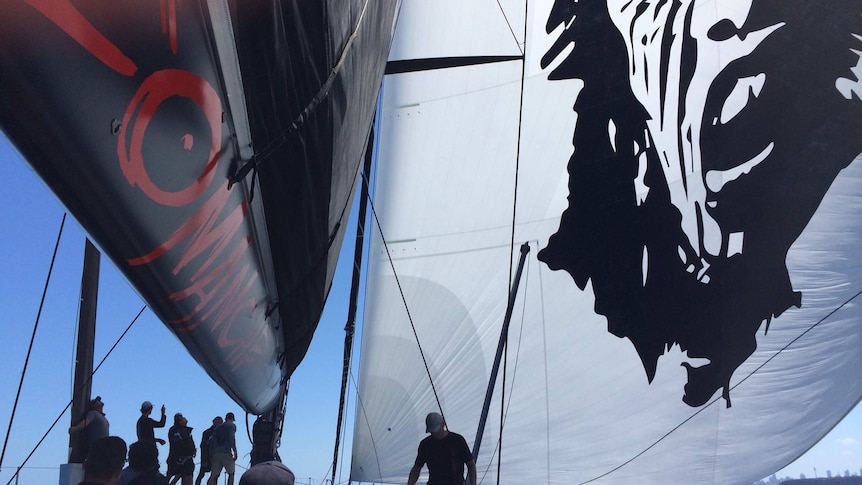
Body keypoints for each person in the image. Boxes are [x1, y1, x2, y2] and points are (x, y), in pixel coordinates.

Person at [406, 412, 476, 485]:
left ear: (443, 424)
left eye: (436, 431)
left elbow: (470, 464)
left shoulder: (457, 440)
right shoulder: (425, 445)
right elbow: (416, 468)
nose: (435, 434)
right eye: (432, 432)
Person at [207, 412, 237, 485]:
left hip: (215, 453)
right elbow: (231, 438)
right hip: (226, 452)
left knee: (213, 475)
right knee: (231, 473)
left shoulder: (217, 428)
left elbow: (212, 441)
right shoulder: (232, 426)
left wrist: (211, 454)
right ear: (232, 418)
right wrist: (235, 451)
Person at [166, 413, 196, 485]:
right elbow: (181, 443)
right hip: (178, 456)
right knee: (177, 474)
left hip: (185, 456)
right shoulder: (176, 430)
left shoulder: (185, 430)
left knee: (186, 475)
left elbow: (190, 441)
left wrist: (193, 449)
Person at [195, 416, 222, 485]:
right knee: (201, 474)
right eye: (218, 422)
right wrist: (204, 459)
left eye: (220, 422)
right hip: (207, 456)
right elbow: (203, 446)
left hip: (216, 456)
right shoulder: (207, 432)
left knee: (215, 475)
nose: (219, 424)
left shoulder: (220, 433)